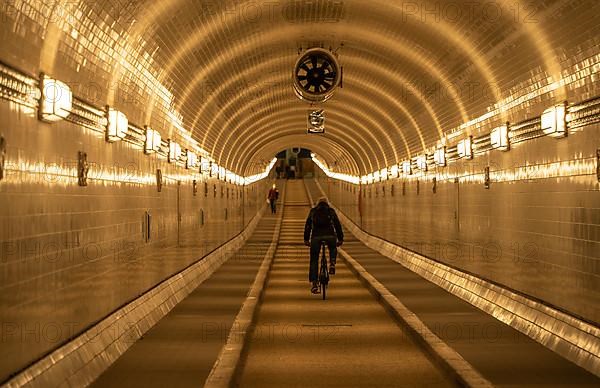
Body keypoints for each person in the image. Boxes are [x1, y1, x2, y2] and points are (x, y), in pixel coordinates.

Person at [304, 197, 344, 294]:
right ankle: (332, 264)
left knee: (314, 259)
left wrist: (306, 239)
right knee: (333, 247)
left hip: (316, 237)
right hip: (330, 236)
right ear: (327, 203)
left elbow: (308, 225)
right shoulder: (331, 211)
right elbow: (337, 225)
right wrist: (340, 238)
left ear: (317, 203)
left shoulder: (313, 211)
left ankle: (314, 284)